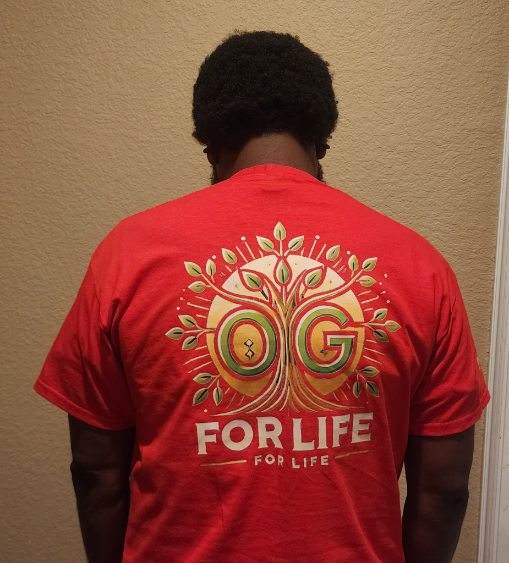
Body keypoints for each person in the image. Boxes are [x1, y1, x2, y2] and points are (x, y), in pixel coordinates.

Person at [34, 30, 491, 563]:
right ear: (322, 140)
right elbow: (443, 491)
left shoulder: (127, 255)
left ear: (210, 145)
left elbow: (97, 472)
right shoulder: (420, 265)